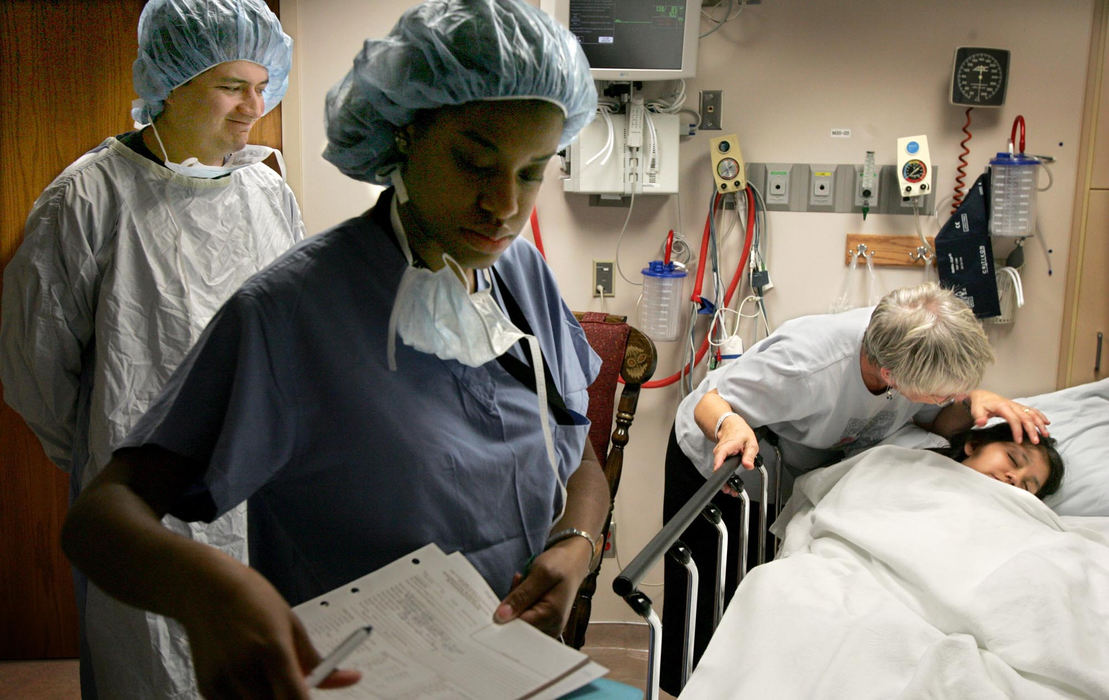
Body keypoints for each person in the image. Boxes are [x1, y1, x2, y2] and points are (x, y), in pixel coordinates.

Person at [61, 0, 606, 697]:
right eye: (473, 161)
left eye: (531, 172)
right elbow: (101, 520)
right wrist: (209, 592)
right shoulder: (291, 313)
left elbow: (576, 444)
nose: (502, 204)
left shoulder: (518, 276)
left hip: (516, 674)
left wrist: (576, 543)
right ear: (404, 135)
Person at [0, 0, 301, 696]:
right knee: (151, 667)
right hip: (140, 498)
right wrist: (106, 454)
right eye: (232, 85)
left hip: (260, 486)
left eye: (262, 84)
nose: (253, 106)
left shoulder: (267, 192)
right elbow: (35, 365)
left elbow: (290, 336)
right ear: (170, 82)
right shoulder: (88, 197)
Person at [659, 281, 1051, 694]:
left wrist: (973, 406)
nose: (948, 398)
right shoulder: (807, 364)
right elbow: (710, 401)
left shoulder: (908, 350)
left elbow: (933, 419)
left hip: (789, 468)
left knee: (749, 615)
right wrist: (731, 424)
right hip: (718, 462)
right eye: (942, 393)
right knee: (702, 614)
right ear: (889, 375)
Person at [936, 422, 1065, 498]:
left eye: (1026, 486)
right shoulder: (920, 467)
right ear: (974, 445)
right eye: (1013, 459)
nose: (1016, 478)